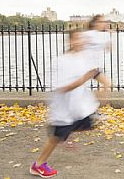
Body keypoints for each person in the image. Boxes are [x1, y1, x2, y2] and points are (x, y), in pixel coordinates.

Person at [30, 30, 109, 178]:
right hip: (64, 109)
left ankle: (65, 135)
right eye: (78, 39)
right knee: (56, 138)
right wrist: (83, 80)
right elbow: (62, 88)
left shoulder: (82, 57)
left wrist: (105, 82)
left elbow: (93, 71)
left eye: (83, 39)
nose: (82, 42)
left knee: (92, 124)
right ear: (71, 42)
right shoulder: (61, 62)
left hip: (78, 108)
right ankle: (38, 165)